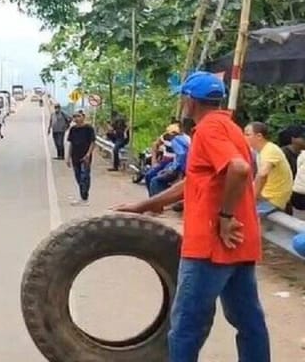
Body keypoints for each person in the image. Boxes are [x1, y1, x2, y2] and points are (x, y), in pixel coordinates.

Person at [115, 71, 270, 362]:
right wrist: (145, 205)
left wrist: (225, 216)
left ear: (189, 100)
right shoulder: (232, 128)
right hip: (241, 242)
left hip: (211, 246)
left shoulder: (208, 130)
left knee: (186, 327)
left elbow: (238, 169)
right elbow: (197, 181)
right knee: (249, 322)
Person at [244, 121, 293, 216]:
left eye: (247, 134)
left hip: (272, 199)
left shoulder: (270, 150)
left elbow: (262, 175)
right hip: (266, 196)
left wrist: (253, 198)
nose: (244, 137)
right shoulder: (261, 151)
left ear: (259, 136)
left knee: (244, 215)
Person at [66, 111, 95, 206]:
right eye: (75, 116)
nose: (76, 118)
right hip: (75, 156)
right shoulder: (73, 129)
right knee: (78, 177)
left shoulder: (88, 128)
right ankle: (82, 196)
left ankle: (85, 198)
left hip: (85, 156)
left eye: (78, 116)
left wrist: (88, 154)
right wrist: (68, 157)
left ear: (83, 117)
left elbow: (92, 142)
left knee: (84, 176)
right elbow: (71, 143)